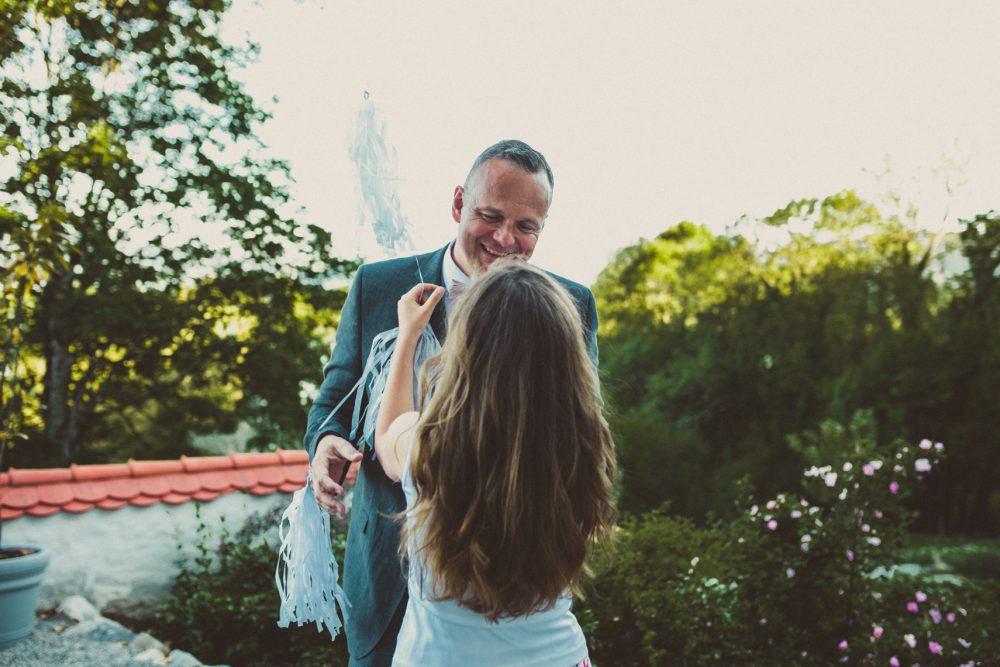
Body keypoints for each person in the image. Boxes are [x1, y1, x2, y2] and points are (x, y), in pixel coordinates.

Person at [304, 140, 599, 666]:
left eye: (526, 226)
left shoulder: (570, 304)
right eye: (490, 216)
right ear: (459, 203)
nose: (505, 239)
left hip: (515, 577)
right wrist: (326, 441)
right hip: (386, 576)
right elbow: (337, 395)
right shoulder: (378, 284)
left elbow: (578, 426)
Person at [372, 261, 616, 666]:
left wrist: (408, 337)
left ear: (467, 349)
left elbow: (385, 440)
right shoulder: (584, 450)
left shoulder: (425, 445)